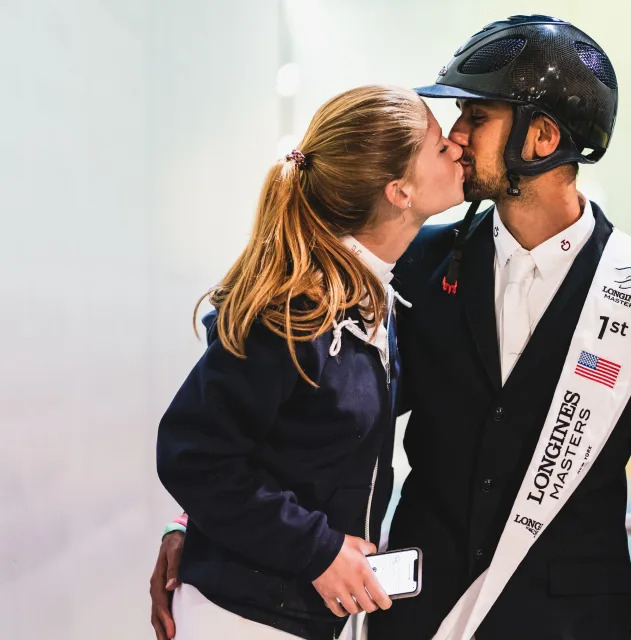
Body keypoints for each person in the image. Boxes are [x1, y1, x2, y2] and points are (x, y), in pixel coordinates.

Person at [152, 15, 631, 640]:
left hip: (567, 621)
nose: (458, 136)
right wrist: (193, 523)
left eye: (479, 117)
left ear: (542, 137)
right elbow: (298, 421)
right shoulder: (412, 263)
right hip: (419, 614)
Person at [151, 85, 464, 640]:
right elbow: (196, 455)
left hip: (307, 615)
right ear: (399, 191)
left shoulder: (372, 295)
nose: (458, 147)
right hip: (244, 617)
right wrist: (317, 549)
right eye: (440, 146)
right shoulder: (295, 308)